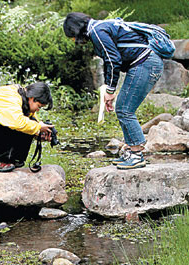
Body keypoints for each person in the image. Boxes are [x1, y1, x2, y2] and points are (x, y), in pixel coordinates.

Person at [63, 12, 164, 169]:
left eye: (73, 36)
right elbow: (108, 61)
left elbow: (112, 60)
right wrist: (109, 92)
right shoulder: (100, 27)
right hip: (146, 62)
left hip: (145, 63)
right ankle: (131, 151)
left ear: (76, 29)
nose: (75, 40)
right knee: (123, 108)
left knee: (125, 109)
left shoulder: (96, 31)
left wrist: (110, 90)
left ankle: (137, 155)